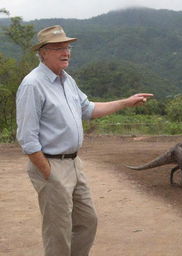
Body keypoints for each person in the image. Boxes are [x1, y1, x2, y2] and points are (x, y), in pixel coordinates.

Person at [16, 25, 153, 256]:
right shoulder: (32, 84)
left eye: (67, 46)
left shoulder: (67, 80)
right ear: (43, 52)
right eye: (58, 47)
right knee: (58, 231)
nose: (66, 52)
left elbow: (88, 109)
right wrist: (48, 172)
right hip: (51, 164)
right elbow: (27, 138)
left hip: (74, 164)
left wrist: (126, 102)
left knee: (87, 221)